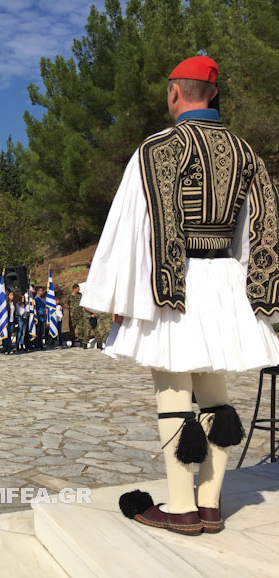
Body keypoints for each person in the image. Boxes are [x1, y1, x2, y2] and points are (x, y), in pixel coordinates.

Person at [82, 55, 279, 536]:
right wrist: (256, 293)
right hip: (224, 279)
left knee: (173, 393)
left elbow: (129, 229)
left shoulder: (156, 149)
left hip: (174, 286)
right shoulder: (246, 153)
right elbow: (262, 229)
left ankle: (182, 508)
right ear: (213, 93)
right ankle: (210, 506)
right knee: (215, 397)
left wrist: (117, 298)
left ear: (174, 92)